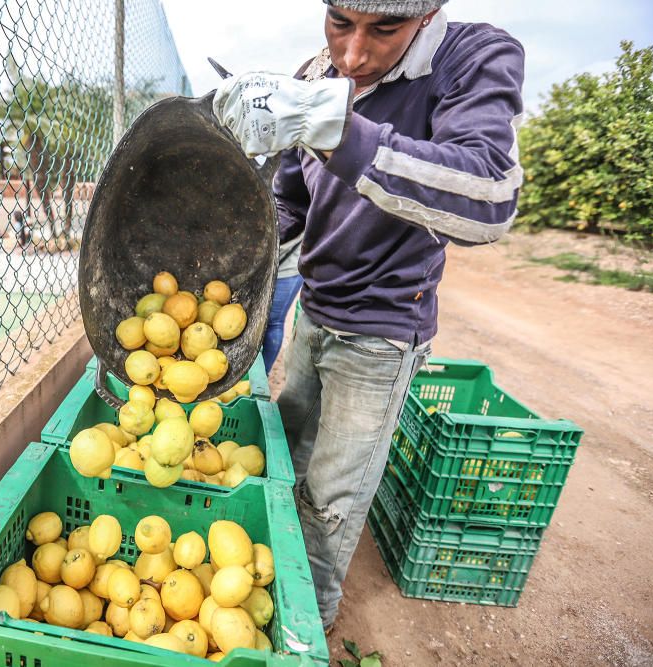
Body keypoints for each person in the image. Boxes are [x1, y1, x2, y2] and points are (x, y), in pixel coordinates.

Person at [213, 0, 524, 629]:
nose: (353, 55)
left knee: (333, 496)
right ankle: (272, 588)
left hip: (382, 331)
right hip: (316, 309)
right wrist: (231, 268)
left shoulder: (472, 59)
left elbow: (490, 200)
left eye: (383, 29)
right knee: (289, 460)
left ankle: (310, 625)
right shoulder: (315, 75)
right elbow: (289, 199)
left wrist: (339, 130)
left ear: (428, 15)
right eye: (339, 23)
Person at [263, 233, 304, 373]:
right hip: (261, 261)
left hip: (287, 267)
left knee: (273, 322)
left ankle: (263, 372)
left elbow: (289, 222)